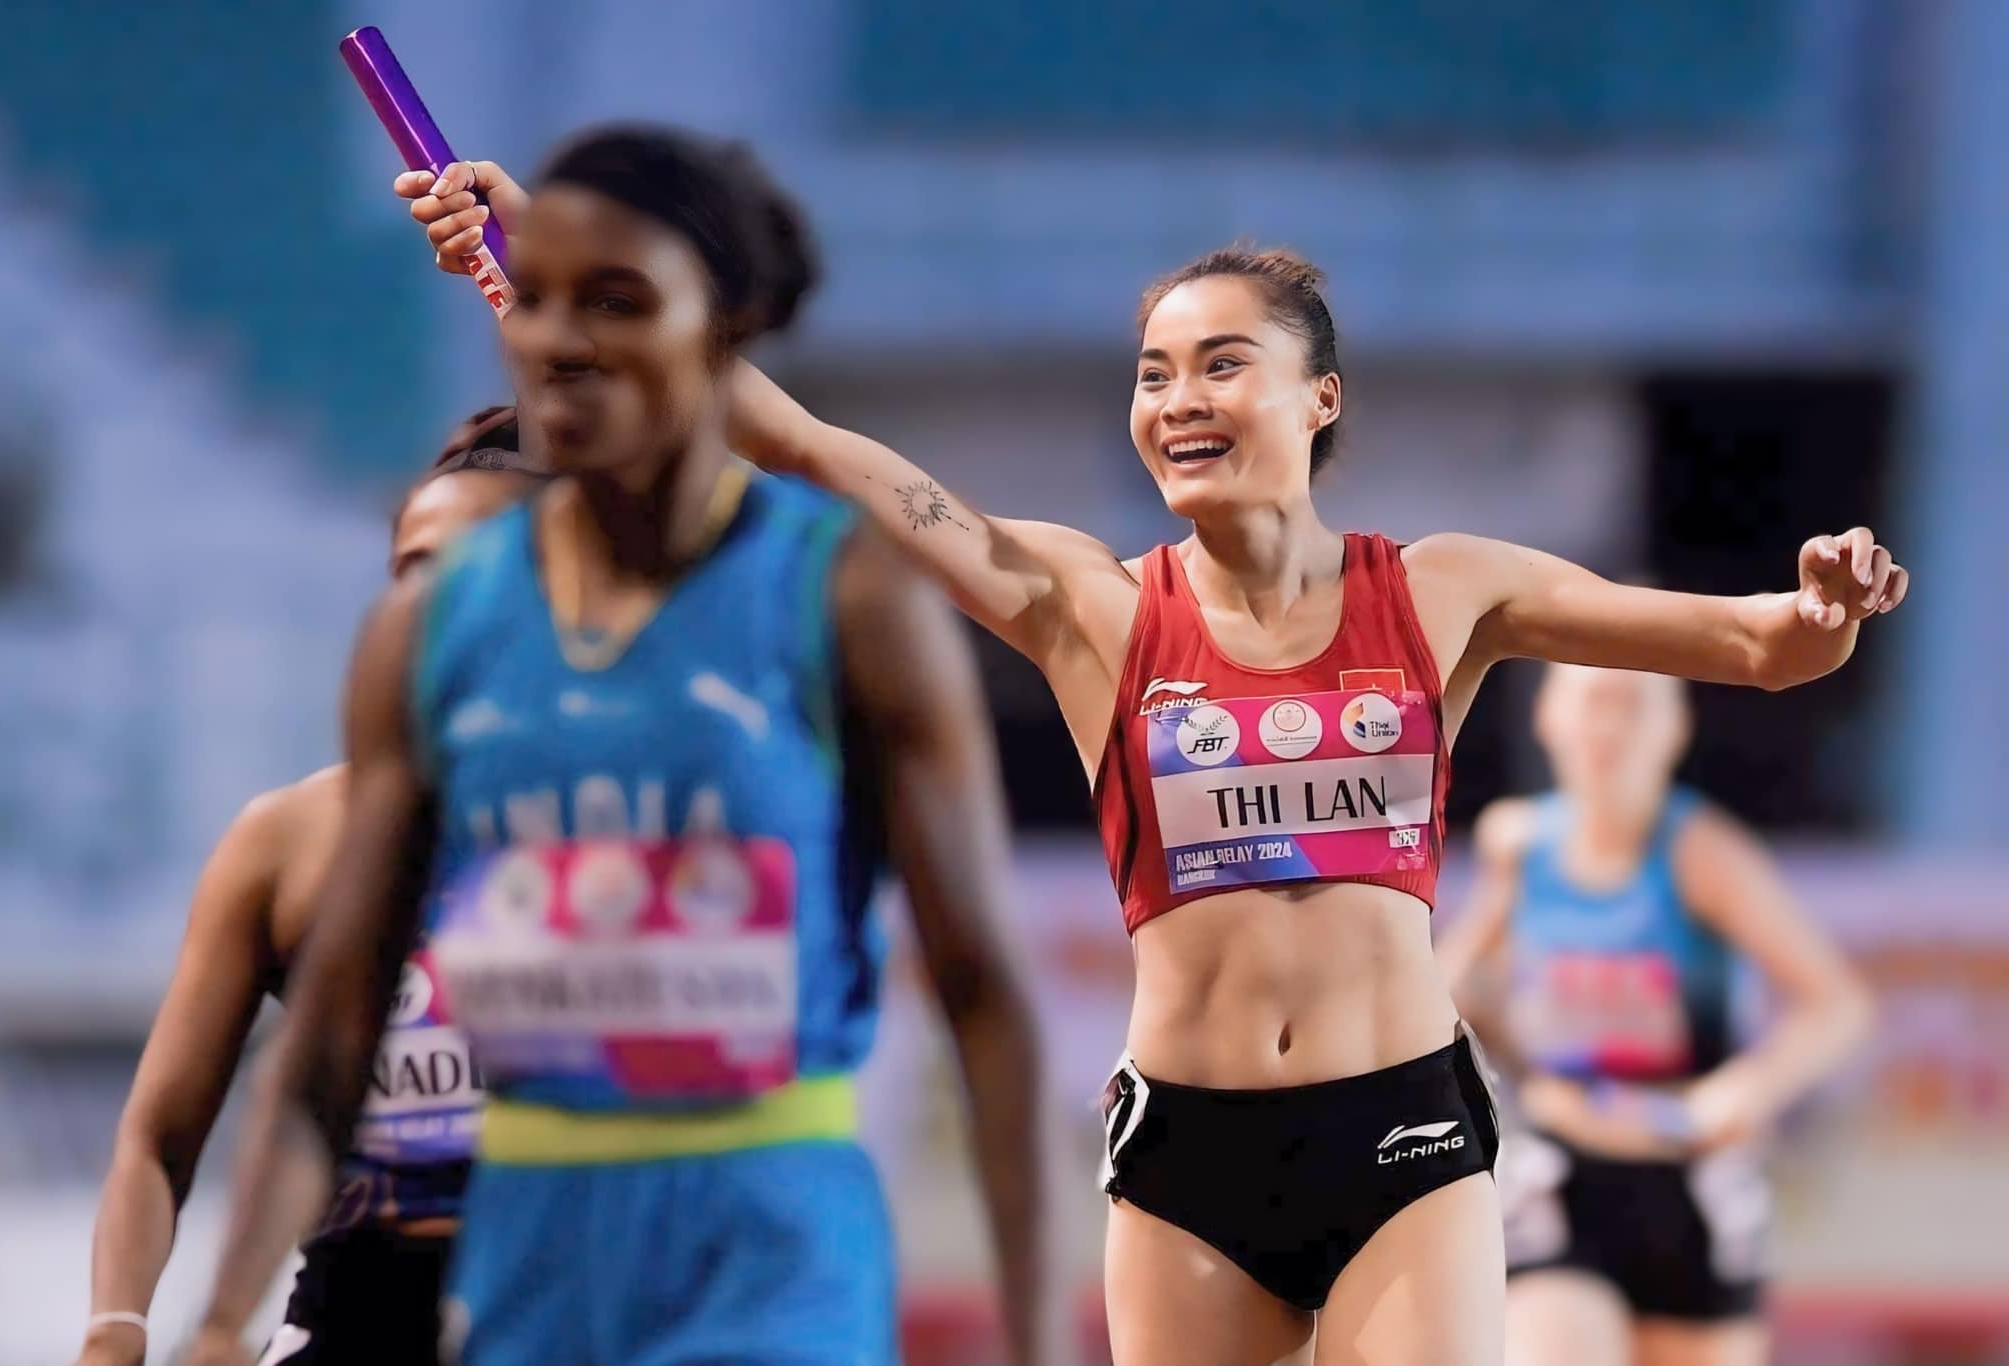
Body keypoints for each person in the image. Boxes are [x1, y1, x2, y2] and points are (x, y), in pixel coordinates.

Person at [413, 163, 1906, 1364]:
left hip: (1400, 1127)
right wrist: (570, 284)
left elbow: (1757, 643)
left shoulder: (1443, 589)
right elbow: (808, 447)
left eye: (1221, 364)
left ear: (1320, 398)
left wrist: (1824, 606)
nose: (1177, 398)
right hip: (1189, 1156)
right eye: (1153, 372)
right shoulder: (1089, 605)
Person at [182, 127, 1056, 1366]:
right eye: (534, 299)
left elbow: (984, 996)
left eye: (614, 300)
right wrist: (222, 1318)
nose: (557, 339)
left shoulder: (849, 599)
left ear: (725, 323)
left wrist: (1035, 1337)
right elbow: (332, 1027)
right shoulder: (430, 627)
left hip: (764, 1247)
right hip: (529, 1258)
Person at [75, 412, 544, 1366]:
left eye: (469, 568)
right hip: (356, 1314)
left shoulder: (637, 821)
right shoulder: (286, 841)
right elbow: (158, 1139)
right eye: (409, 570)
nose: (428, 601)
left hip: (571, 1306)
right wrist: (115, 1336)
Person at [1435, 664, 1874, 1366]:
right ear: (1548, 716)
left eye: (1633, 706)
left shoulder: (1704, 853)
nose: (1607, 728)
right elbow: (1449, 992)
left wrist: (1740, 1095)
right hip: (1558, 1178)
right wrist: (1504, 1055)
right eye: (1591, 702)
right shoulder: (1515, 842)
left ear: (1675, 727)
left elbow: (1838, 1004)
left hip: (1689, 1185)